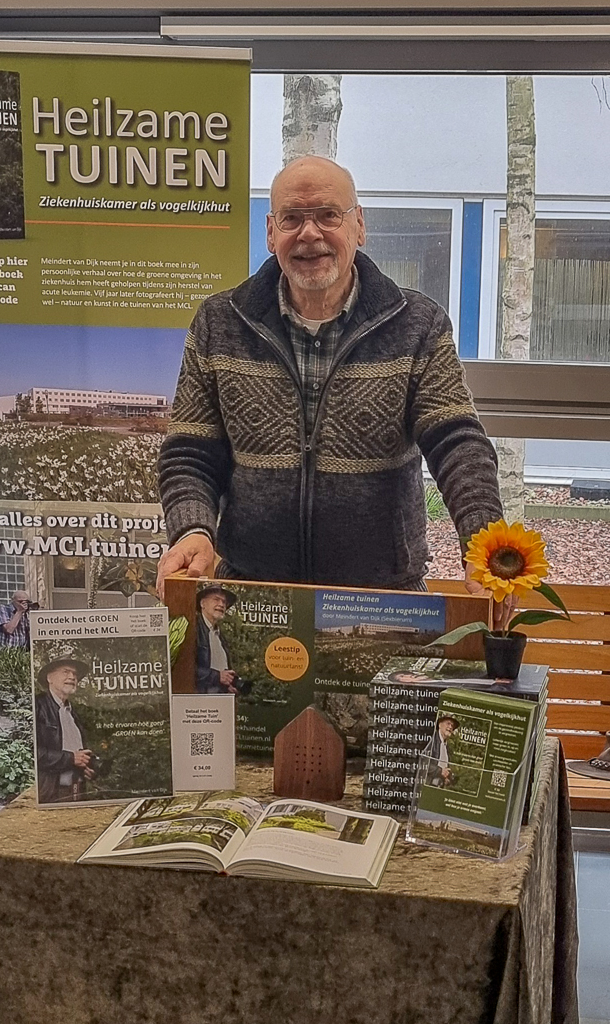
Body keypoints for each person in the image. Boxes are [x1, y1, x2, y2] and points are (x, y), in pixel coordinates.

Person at [157, 155, 510, 622]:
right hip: (252, 602)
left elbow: (457, 444)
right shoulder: (219, 323)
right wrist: (192, 531)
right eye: (292, 218)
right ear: (270, 232)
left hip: (384, 601)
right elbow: (190, 454)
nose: (309, 234)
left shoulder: (417, 325)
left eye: (328, 215)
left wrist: (483, 542)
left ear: (358, 225)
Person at [34, 655, 95, 803]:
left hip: (78, 791)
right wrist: (71, 759)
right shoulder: (38, 706)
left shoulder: (73, 713)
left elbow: (77, 752)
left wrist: (87, 767)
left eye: (75, 674)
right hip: (52, 793)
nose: (72, 677)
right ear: (50, 677)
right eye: (66, 672)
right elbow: (34, 754)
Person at [195, 584, 251, 695]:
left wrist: (228, 685)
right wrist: (217, 676)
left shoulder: (220, 635)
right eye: (216, 599)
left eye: (224, 602)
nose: (221, 604)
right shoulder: (193, 629)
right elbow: (184, 668)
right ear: (202, 603)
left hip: (220, 699)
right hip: (200, 701)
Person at [427, 714, 459, 787]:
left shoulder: (447, 746)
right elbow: (423, 763)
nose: (450, 727)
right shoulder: (431, 740)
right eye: (448, 723)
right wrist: (440, 771)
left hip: (439, 786)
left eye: (452, 726)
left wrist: (447, 777)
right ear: (440, 725)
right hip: (428, 784)